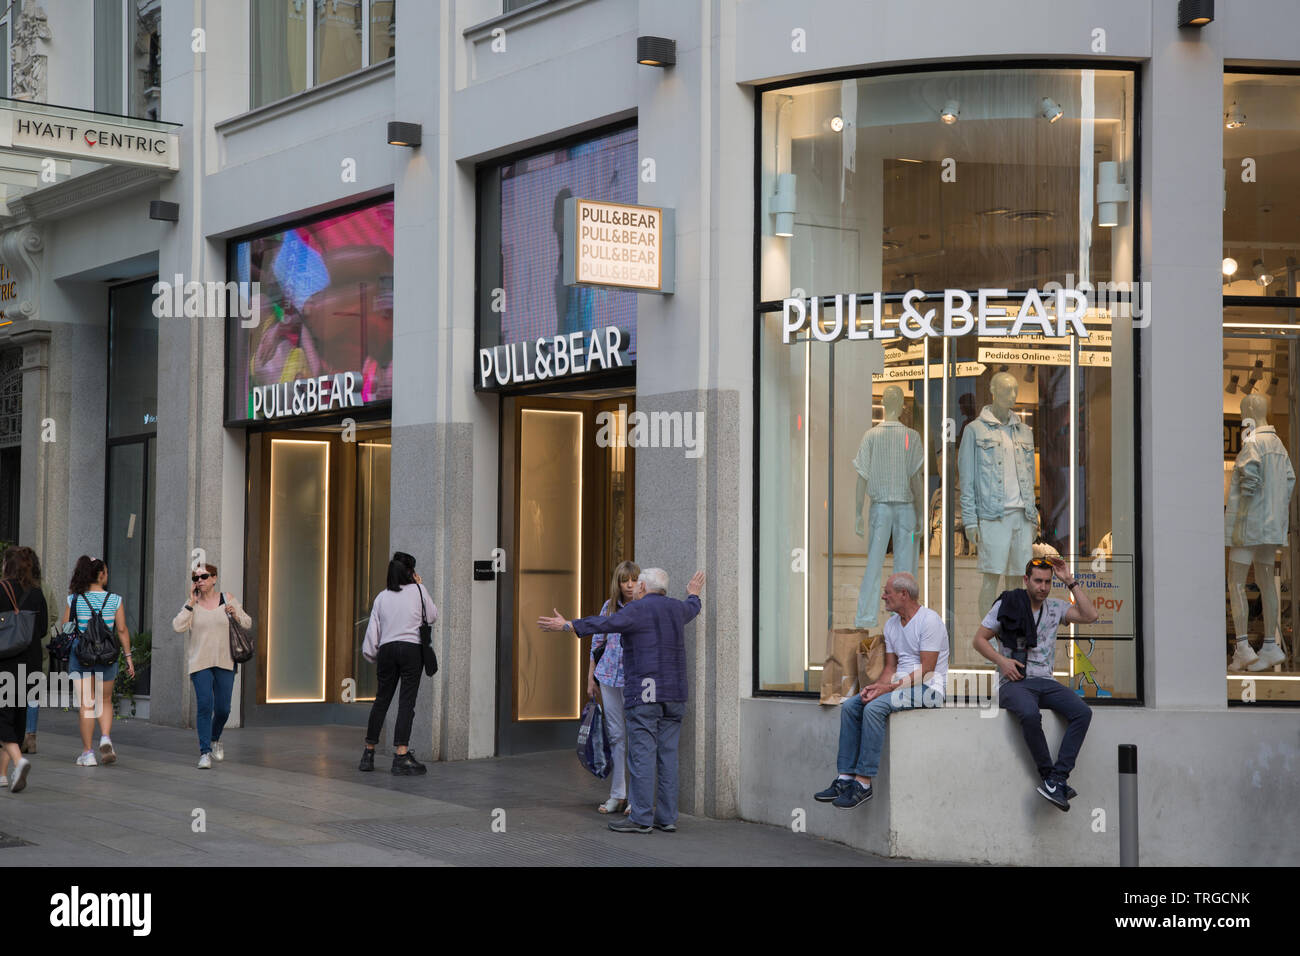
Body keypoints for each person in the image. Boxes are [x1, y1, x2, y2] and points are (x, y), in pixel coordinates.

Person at [539, 568, 705, 834]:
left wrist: (569, 625)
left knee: (642, 756)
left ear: (643, 588)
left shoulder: (636, 610)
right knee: (668, 756)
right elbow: (692, 607)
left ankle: (640, 818)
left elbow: (603, 624)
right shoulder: (677, 609)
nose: (634, 587)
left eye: (637, 583)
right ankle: (666, 817)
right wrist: (694, 594)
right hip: (675, 694)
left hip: (645, 694)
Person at [971, 555, 1100, 811]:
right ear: (1026, 580)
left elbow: (1091, 615)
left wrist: (1069, 581)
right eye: (1038, 581)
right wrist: (1003, 662)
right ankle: (1048, 776)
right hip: (1013, 682)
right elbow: (979, 640)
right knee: (1030, 714)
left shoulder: (1055, 607)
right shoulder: (1008, 604)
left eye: (1048, 582)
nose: (1043, 587)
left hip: (1045, 681)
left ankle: (1057, 778)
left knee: (1082, 712)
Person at [813, 572, 948, 810]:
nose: (883, 596)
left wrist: (887, 689)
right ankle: (845, 778)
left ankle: (863, 783)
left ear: (904, 594)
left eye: (888, 592)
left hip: (928, 688)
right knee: (853, 705)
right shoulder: (892, 625)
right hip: (899, 686)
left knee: (875, 707)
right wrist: (874, 688)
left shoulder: (930, 621)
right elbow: (890, 667)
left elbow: (927, 671)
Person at [360, 552, 438, 775]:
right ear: (411, 573)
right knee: (406, 702)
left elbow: (373, 633)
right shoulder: (419, 591)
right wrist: (421, 587)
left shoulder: (381, 597)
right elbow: (432, 616)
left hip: (387, 650)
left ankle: (368, 752)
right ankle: (401, 754)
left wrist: (373, 654)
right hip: (411, 650)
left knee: (381, 700)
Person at [172, 563, 252, 769]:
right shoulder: (193, 604)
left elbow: (247, 623)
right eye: (196, 578)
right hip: (200, 663)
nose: (200, 581)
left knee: (224, 709)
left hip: (225, 661)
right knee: (205, 705)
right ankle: (205, 752)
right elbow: (178, 626)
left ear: (214, 578)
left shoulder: (228, 599)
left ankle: (215, 738)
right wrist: (190, 602)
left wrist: (235, 614)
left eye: (204, 577)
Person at [58, 556, 133, 767]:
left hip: (81, 655)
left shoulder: (74, 599)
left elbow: (65, 627)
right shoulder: (115, 599)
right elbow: (121, 630)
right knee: (106, 700)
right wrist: (128, 658)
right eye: (106, 572)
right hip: (107, 655)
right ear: (100, 575)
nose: (107, 575)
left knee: (87, 704)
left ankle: (88, 753)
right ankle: (106, 737)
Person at [584, 560, 640, 814]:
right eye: (624, 580)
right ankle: (618, 794)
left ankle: (637, 797)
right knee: (616, 735)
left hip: (634, 678)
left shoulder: (643, 607)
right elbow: (597, 643)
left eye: (633, 580)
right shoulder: (609, 608)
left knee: (638, 736)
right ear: (617, 583)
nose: (629, 585)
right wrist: (590, 678)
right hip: (607, 677)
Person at [0, 547, 47, 792]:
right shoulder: (37, 593)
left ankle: (18, 761)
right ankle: (4, 775)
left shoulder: (1, 590)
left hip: (5, 663)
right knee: (17, 718)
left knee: (2, 718)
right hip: (31, 665)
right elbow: (42, 630)